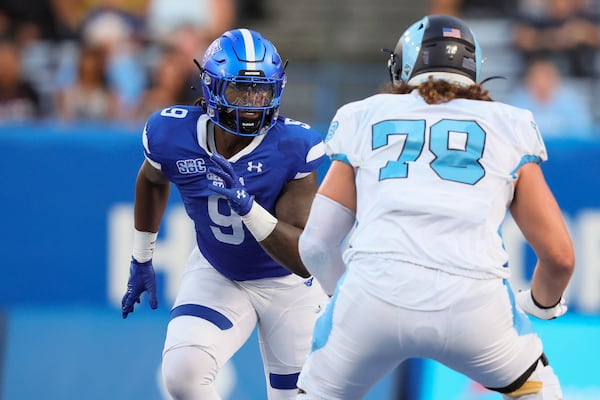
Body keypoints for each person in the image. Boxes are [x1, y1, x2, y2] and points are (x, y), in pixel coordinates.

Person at [296, 14, 575, 400]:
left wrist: (346, 297)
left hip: (373, 296)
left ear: (406, 66)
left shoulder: (362, 115)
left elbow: (315, 245)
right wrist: (544, 305)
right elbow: (560, 257)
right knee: (541, 393)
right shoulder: (511, 123)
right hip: (474, 307)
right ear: (474, 69)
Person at [121, 28, 328, 400]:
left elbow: (303, 259)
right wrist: (142, 256)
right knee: (183, 374)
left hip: (288, 285)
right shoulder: (173, 132)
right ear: (212, 87)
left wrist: (249, 209)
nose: (251, 102)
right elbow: (152, 180)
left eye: (260, 90)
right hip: (219, 269)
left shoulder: (294, 145)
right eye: (240, 90)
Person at [508, 57, 593, 138]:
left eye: (546, 76)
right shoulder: (518, 102)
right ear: (528, 79)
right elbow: (512, 131)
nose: (541, 81)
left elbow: (582, 131)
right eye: (536, 76)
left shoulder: (570, 101)